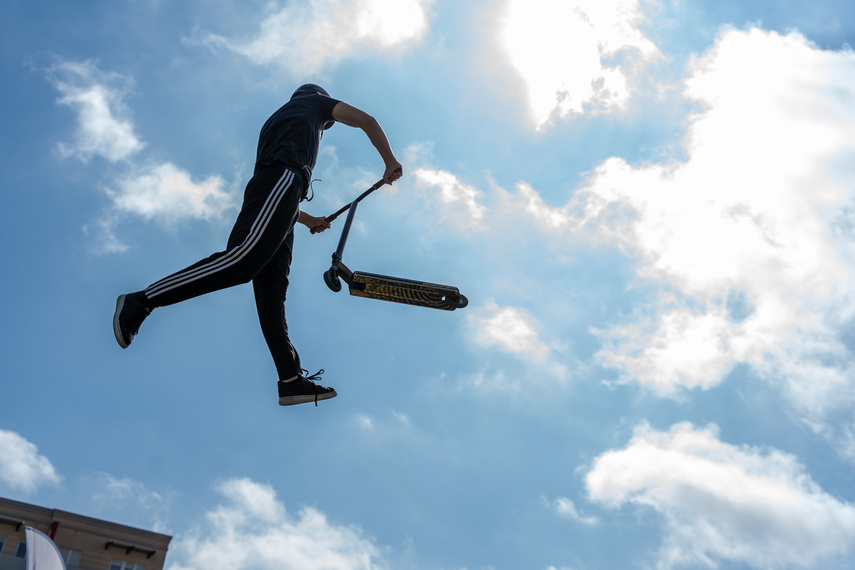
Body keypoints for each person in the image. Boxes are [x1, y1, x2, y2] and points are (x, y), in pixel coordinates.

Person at [113, 83, 403, 406]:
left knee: (271, 296)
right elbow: (366, 120)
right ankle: (141, 300)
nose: (324, 131)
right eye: (327, 127)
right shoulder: (315, 103)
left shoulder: (275, 123)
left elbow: (271, 189)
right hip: (284, 182)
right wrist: (389, 161)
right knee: (242, 261)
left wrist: (307, 219)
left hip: (281, 192)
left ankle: (290, 379)